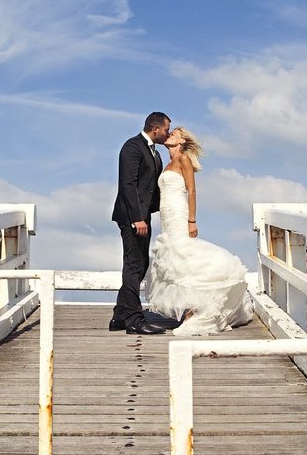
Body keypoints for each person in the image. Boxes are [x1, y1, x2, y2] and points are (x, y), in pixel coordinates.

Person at [142, 126, 256, 336]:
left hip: (179, 212)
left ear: (182, 141)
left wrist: (192, 220)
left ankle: (196, 310)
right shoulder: (165, 163)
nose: (169, 135)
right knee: (173, 258)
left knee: (183, 253)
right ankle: (190, 308)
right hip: (166, 216)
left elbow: (192, 191)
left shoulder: (183, 159)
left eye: (173, 134)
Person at [109, 111, 171, 334]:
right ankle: (134, 319)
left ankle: (120, 315)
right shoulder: (132, 147)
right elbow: (128, 184)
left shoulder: (154, 152)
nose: (167, 133)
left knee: (140, 263)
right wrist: (137, 218)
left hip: (144, 215)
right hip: (131, 217)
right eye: (166, 129)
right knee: (134, 264)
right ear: (155, 129)